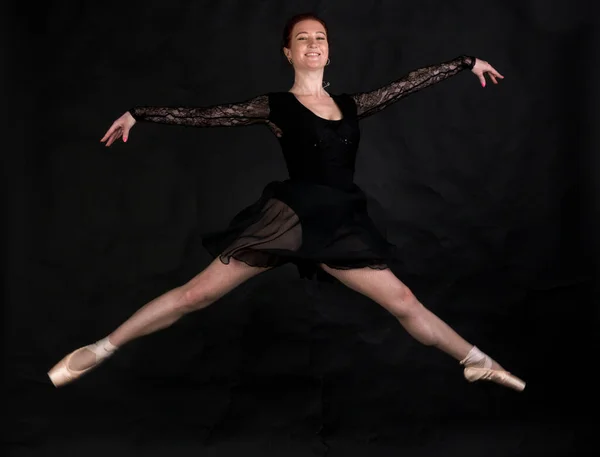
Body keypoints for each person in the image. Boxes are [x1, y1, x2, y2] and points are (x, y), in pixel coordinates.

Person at [48, 13, 525, 391]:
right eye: (302, 39)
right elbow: (208, 115)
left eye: (320, 37)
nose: (313, 44)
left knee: (403, 300)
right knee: (197, 295)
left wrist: (465, 62)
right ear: (288, 53)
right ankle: (103, 347)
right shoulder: (274, 106)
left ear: (329, 51)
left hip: (339, 221)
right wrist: (139, 113)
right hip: (291, 217)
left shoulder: (356, 104)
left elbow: (409, 82)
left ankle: (476, 362)